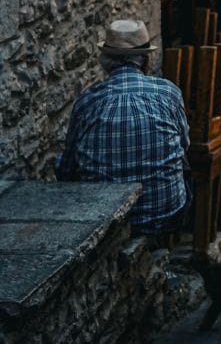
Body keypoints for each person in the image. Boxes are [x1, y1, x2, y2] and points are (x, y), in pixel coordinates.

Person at [57, 20, 190, 235]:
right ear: (145, 60)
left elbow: (68, 169)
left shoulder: (88, 102)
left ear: (105, 62)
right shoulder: (168, 93)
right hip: (163, 214)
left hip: (105, 221)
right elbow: (184, 146)